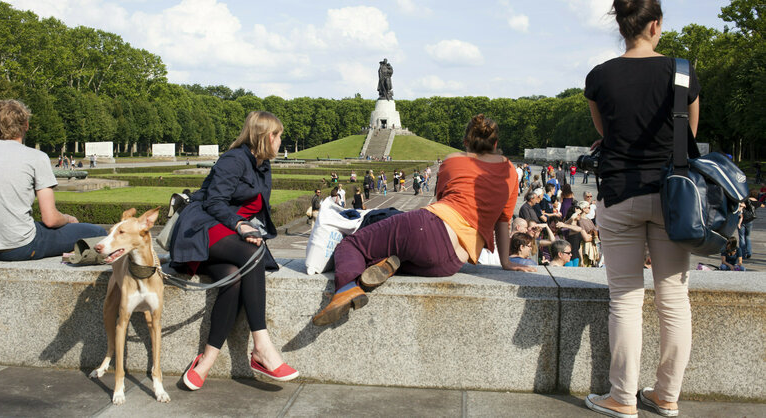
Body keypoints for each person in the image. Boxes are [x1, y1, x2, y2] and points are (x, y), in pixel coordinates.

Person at [583, 1, 701, 416]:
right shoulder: (681, 72)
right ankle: (666, 395)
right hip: (673, 197)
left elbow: (605, 131)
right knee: (674, 300)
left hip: (620, 193)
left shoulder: (599, 77)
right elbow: (688, 135)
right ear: (655, 25)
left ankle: (622, 397)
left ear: (621, 26)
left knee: (626, 300)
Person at [312, 114, 536, 326]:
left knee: (353, 244)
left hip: (430, 228)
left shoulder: (453, 161)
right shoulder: (510, 171)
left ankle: (346, 289)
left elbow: (441, 201)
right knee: (398, 252)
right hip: (451, 263)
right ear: (495, 143)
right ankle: (385, 266)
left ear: (466, 141)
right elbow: (503, 220)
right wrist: (506, 263)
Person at [170, 111, 298, 390]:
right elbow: (214, 203)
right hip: (202, 229)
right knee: (254, 254)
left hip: (227, 235)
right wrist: (240, 226)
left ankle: (206, 359)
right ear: (266, 137)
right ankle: (262, 346)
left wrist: (246, 230)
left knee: (234, 276)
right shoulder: (234, 159)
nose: (280, 141)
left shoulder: (263, 167)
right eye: (278, 136)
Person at [0, 100, 107, 261]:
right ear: (26, 125)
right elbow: (50, 219)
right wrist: (68, 218)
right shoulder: (35, 157)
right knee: (97, 233)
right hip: (19, 247)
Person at [739, 190, 762, 259]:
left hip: (742, 219)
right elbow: (762, 205)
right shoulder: (756, 202)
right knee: (748, 236)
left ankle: (742, 254)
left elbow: (740, 207)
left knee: (741, 237)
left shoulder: (745, 200)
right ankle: (749, 252)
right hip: (750, 220)